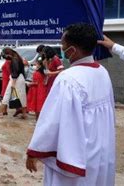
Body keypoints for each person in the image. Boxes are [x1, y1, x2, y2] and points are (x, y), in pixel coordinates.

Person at [26, 23, 116, 186]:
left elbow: (52, 121)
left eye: (63, 45)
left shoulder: (68, 78)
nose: (61, 48)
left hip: (77, 156)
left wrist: (34, 150)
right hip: (101, 153)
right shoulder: (103, 72)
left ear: (72, 50)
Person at [0, 48, 27, 119]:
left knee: (7, 95)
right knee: (22, 96)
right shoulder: (17, 58)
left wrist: (13, 83)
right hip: (19, 79)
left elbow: (15, 72)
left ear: (8, 54)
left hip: (16, 79)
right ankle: (24, 114)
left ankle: (1, 113)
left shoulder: (14, 60)